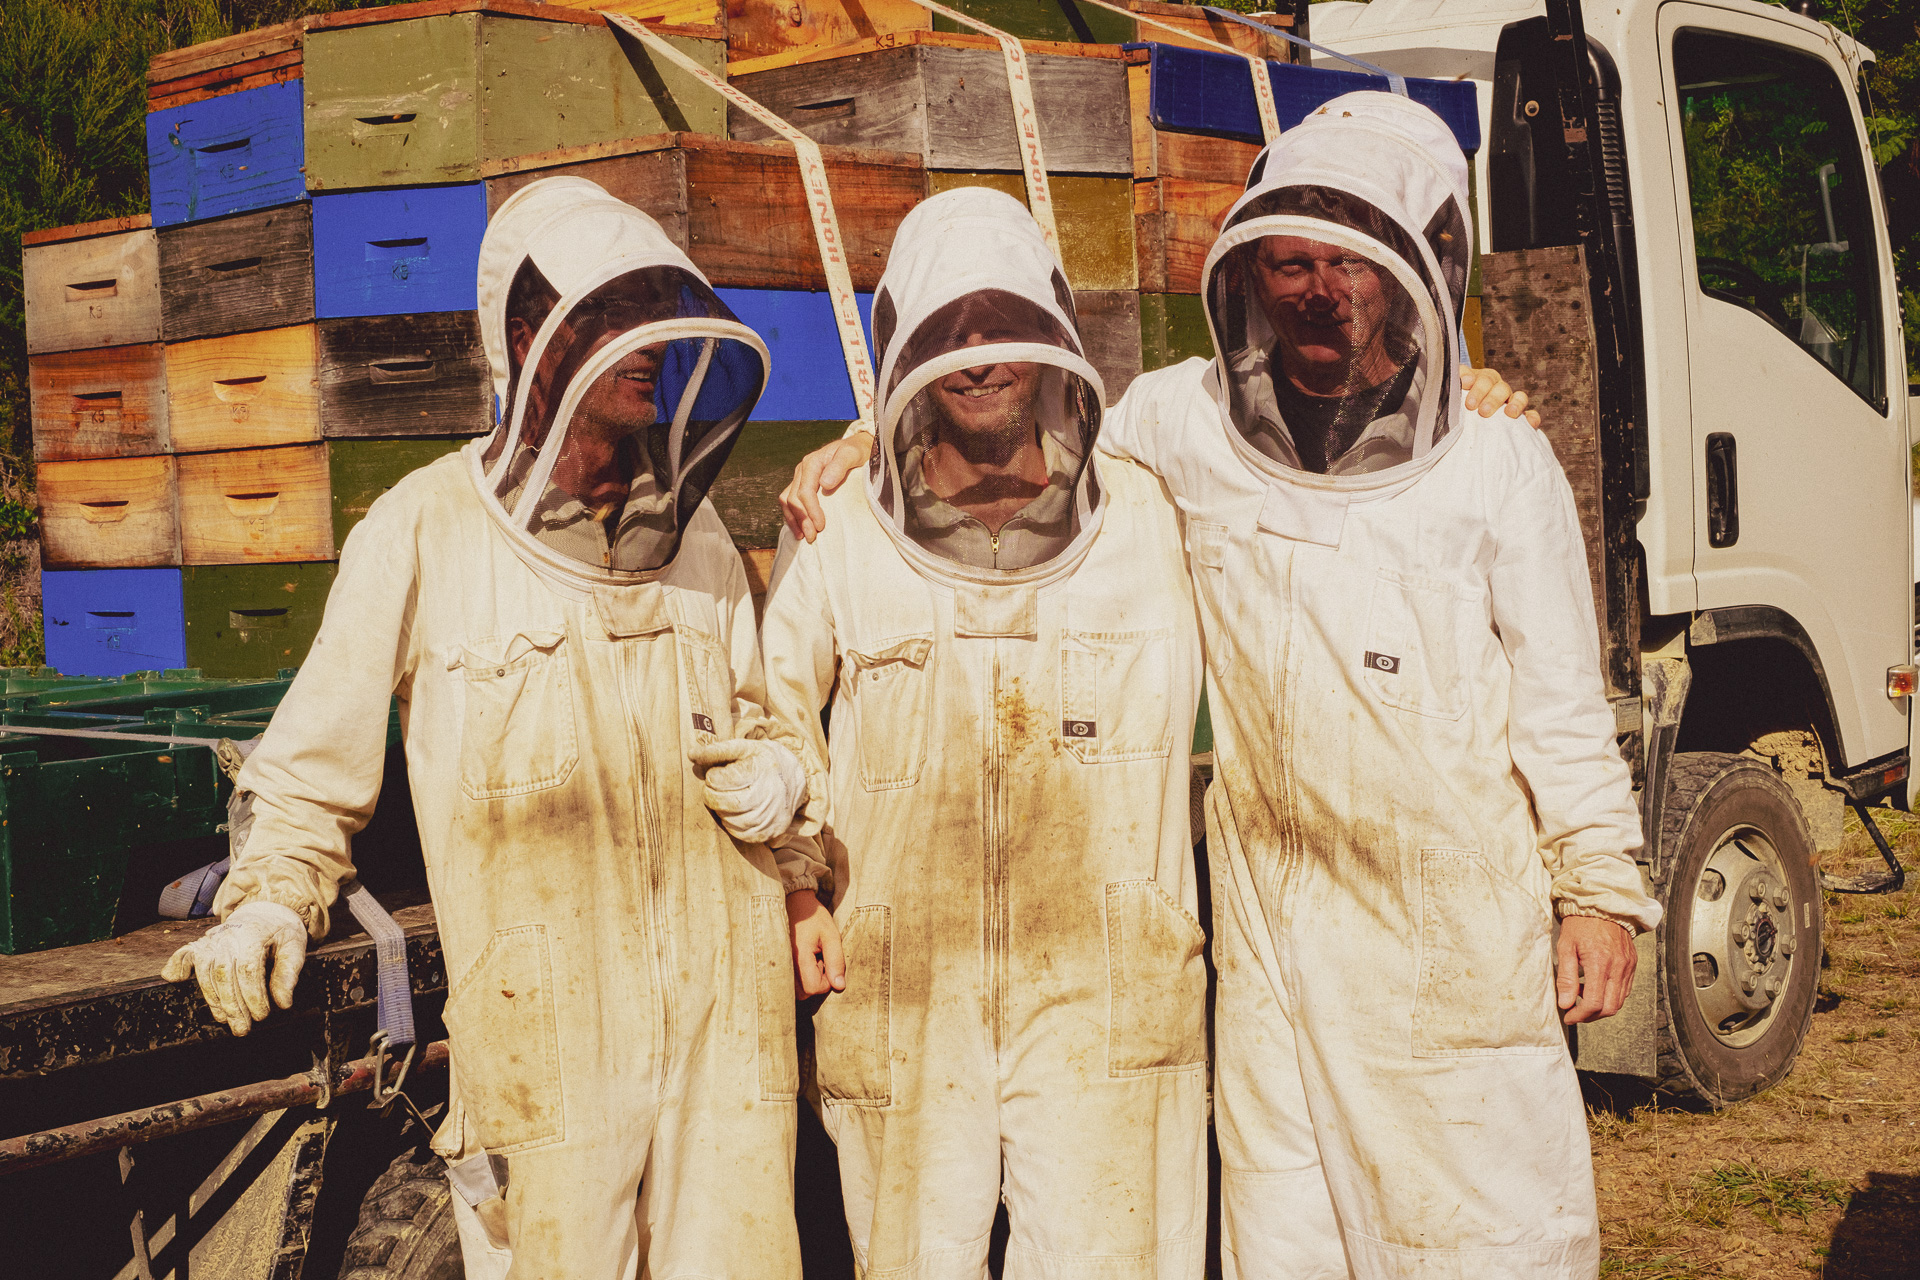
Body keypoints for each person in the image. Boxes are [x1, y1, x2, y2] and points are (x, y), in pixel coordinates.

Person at [783, 94, 1661, 1277]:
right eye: (1291, 262)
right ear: (1250, 274)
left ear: (1414, 270)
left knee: (1482, 1242)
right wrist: (863, 440)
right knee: (1284, 1248)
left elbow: (1562, 702)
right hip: (1269, 960)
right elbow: (1005, 414)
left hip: (1449, 944)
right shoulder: (1178, 423)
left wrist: (1598, 888)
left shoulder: (1498, 464)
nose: (1319, 289)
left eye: (1349, 260)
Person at [160, 177, 819, 1279]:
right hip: (547, 1050)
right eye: (609, 313)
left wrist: (786, 797)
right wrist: (271, 894)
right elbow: (312, 765)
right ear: (530, 338)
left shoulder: (697, 532)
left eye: (653, 306)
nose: (647, 341)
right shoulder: (424, 528)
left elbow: (766, 718)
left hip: (728, 1038)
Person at [761, 186, 1209, 1278]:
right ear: (904, 348)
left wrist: (1473, 398)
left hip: (1111, 992)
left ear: (1052, 330)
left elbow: (1289, 459)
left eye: (1000, 320)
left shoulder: (1155, 510)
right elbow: (770, 714)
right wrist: (798, 888)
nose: (977, 355)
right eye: (946, 329)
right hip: (905, 994)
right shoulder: (838, 526)